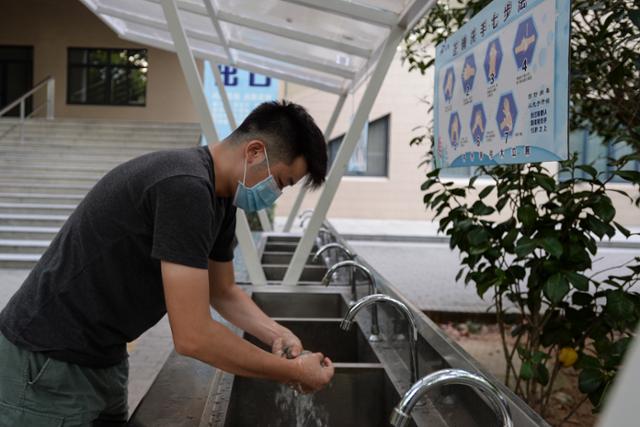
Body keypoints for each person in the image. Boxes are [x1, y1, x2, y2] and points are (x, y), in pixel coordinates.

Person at [0, 100, 334, 426]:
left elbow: (223, 290)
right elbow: (193, 336)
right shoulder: (184, 187)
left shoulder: (220, 200)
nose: (275, 193)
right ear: (255, 152)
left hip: (103, 357)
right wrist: (290, 372)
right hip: (47, 362)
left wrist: (278, 333)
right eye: (281, 181)